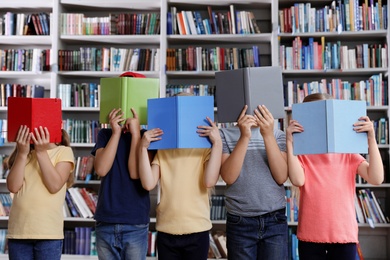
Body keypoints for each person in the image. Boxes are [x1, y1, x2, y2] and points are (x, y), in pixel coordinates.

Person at [286, 93, 384, 260]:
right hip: (311, 235)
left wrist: (371, 140)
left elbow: (376, 178)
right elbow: (297, 180)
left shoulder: (347, 152)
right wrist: (289, 142)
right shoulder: (302, 154)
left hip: (343, 234)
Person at [138, 112, 222, 260]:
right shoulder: (164, 150)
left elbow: (210, 181)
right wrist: (143, 148)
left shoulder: (204, 149)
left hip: (197, 230)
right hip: (166, 230)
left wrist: (217, 143)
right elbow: (148, 183)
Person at [219, 104, 289, 260]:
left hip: (274, 219)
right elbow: (228, 177)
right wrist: (244, 137)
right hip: (239, 221)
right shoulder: (223, 134)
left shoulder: (278, 135)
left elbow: (281, 177)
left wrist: (268, 135)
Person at [6, 125, 75, 260]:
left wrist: (41, 152)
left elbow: (54, 185)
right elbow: (13, 187)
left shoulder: (63, 151)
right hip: (19, 233)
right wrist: (21, 153)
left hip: (48, 235)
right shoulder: (24, 153)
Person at [91, 108, 150, 260]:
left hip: (135, 222)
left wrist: (136, 134)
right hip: (106, 220)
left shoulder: (146, 137)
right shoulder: (105, 134)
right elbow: (101, 169)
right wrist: (116, 133)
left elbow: (135, 173)